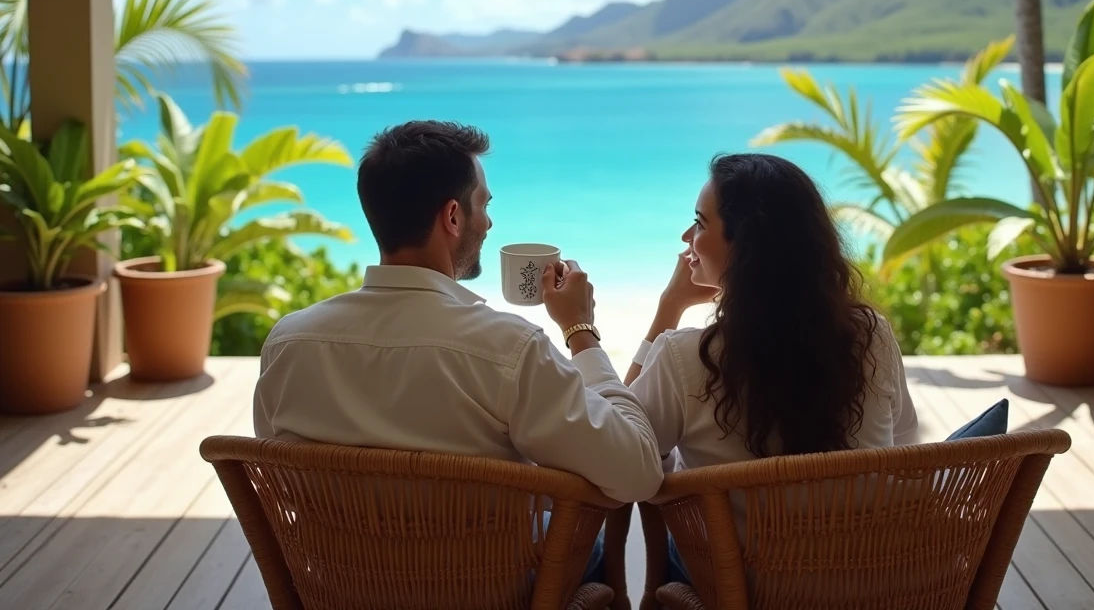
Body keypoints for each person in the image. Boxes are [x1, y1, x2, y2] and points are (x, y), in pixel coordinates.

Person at [253, 121, 664, 583]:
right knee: (594, 549)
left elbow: (286, 482)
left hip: (346, 586)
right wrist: (579, 330)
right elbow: (637, 474)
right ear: (452, 217)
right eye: (483, 205)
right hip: (485, 589)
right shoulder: (508, 349)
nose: (488, 223)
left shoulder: (288, 343)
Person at [624, 153, 918, 581]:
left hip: (745, 590)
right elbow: (903, 441)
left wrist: (667, 310)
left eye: (701, 224)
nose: (687, 236)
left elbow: (617, 446)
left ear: (746, 248)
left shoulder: (686, 358)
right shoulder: (870, 336)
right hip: (871, 580)